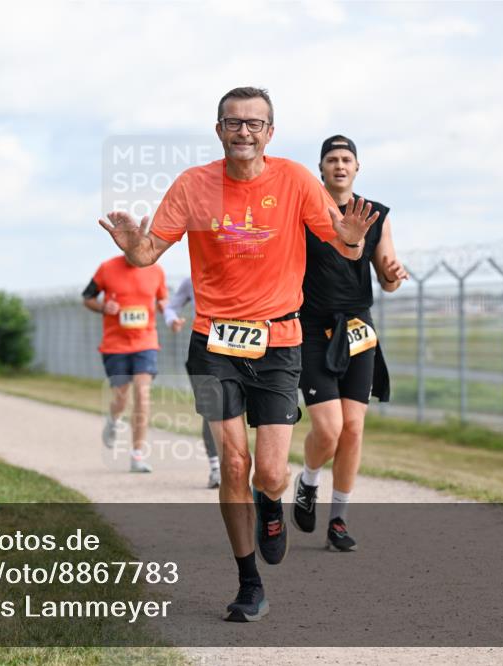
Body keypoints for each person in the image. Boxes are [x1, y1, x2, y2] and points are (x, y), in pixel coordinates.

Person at [98, 86, 378, 622]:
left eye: (255, 123)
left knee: (269, 472)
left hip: (279, 341)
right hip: (211, 342)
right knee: (232, 461)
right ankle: (249, 581)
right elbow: (147, 253)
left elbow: (343, 242)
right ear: (219, 129)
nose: (243, 131)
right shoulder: (193, 185)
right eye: (233, 122)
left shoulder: (295, 179)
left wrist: (351, 239)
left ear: (270, 133)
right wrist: (132, 245)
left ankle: (273, 501)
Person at [292, 135, 408, 552]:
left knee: (354, 428)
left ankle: (338, 521)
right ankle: (307, 480)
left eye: (347, 159)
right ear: (320, 168)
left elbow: (388, 281)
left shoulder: (376, 215)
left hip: (358, 328)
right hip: (311, 328)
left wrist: (394, 273)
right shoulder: (306, 212)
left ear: (357, 167)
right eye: (331, 160)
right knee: (328, 429)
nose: (339, 165)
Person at [83, 255, 169, 473]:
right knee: (121, 398)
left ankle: (137, 455)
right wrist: (103, 307)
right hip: (115, 345)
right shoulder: (107, 268)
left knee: (142, 394)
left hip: (145, 341)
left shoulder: (156, 271)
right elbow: (87, 297)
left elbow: (163, 302)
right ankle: (113, 420)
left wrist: (170, 315)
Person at [164, 277, 220, 489]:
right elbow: (171, 308)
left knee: (236, 410)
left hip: (241, 351)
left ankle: (237, 466)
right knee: (212, 410)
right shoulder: (191, 281)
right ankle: (216, 468)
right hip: (204, 352)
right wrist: (172, 320)